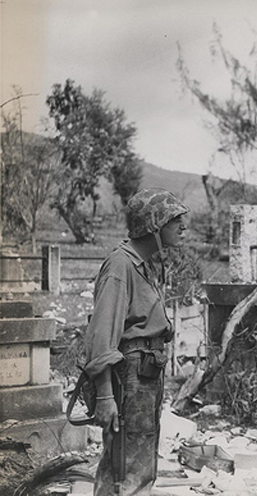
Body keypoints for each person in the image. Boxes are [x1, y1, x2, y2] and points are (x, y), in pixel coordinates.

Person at [84, 188, 189, 495]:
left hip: (146, 374)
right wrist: (105, 396)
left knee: (137, 464)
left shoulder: (148, 264)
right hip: (130, 376)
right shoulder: (121, 266)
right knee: (125, 467)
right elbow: (102, 336)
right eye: (175, 221)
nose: (183, 227)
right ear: (153, 225)